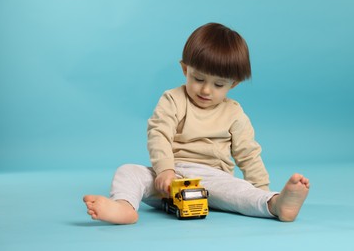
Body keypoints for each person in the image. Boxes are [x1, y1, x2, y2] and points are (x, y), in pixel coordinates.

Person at [83, 23, 310, 224]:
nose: (205, 90)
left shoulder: (234, 113)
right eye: (198, 78)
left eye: (218, 84)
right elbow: (159, 133)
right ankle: (124, 206)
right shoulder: (173, 99)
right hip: (170, 176)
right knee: (128, 171)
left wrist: (260, 190)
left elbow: (248, 154)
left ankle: (275, 204)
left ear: (233, 85)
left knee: (240, 192)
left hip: (211, 179)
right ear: (185, 69)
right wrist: (165, 170)